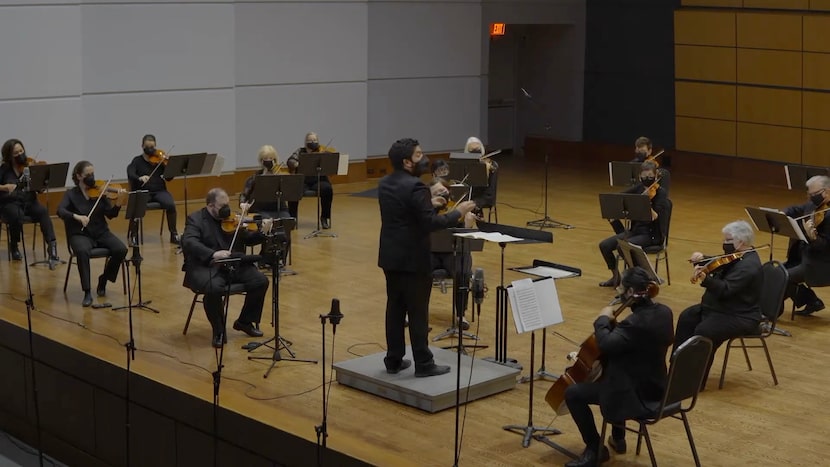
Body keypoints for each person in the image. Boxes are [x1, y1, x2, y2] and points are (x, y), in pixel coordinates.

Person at [378, 138, 476, 377]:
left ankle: (393, 360)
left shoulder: (385, 183)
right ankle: (423, 363)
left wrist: (427, 204)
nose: (424, 158)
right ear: (407, 162)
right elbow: (430, 224)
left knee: (395, 308)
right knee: (418, 310)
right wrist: (457, 212)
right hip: (414, 258)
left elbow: (405, 214)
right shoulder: (416, 187)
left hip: (390, 255)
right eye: (419, 154)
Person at [563, 267, 673, 467]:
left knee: (573, 392)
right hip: (658, 388)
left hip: (637, 396)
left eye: (621, 287)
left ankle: (595, 449)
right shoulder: (665, 312)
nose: (618, 291)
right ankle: (618, 438)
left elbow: (605, 344)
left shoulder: (634, 324)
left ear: (631, 292)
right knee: (614, 368)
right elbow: (635, 343)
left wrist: (603, 319)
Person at [674, 220, 762, 387]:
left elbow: (725, 289)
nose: (724, 243)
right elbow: (719, 262)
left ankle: (694, 381)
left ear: (741, 242)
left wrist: (705, 279)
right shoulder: (738, 255)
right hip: (721, 308)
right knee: (687, 317)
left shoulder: (749, 267)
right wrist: (702, 260)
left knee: (704, 331)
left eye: (728, 240)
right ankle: (677, 370)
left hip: (740, 315)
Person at [181, 188, 272, 347]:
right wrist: (213, 254)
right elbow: (189, 242)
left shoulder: (233, 219)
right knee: (213, 288)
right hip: (207, 266)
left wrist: (262, 232)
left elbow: (249, 240)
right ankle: (219, 330)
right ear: (210, 206)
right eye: (222, 205)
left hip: (233, 264)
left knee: (260, 281)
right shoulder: (195, 219)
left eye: (227, 204)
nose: (227, 209)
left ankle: (244, 321)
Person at [57, 161, 129, 307]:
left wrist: (119, 203)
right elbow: (61, 211)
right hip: (80, 234)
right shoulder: (71, 194)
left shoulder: (100, 192)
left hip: (101, 232)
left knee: (121, 249)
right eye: (88, 175)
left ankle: (104, 279)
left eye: (93, 174)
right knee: (83, 251)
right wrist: (77, 217)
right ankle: (87, 292)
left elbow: (110, 215)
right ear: (79, 176)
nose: (92, 177)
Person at [598, 160, 669, 287]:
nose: (647, 179)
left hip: (651, 235)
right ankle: (616, 277)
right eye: (644, 177)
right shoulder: (639, 188)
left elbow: (655, 216)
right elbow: (620, 197)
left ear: (656, 176)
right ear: (639, 176)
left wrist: (645, 202)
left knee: (623, 247)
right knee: (604, 245)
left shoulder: (660, 193)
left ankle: (641, 278)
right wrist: (615, 209)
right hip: (635, 231)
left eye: (650, 177)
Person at [0, 139, 61, 267]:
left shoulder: (30, 166)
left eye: (21, 151)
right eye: (16, 153)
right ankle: (14, 246)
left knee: (43, 211)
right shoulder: (4, 169)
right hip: (10, 203)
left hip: (29, 201)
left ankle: (52, 247)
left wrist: (41, 185)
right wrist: (5, 187)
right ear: (9, 155)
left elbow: (38, 189)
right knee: (16, 214)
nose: (20, 154)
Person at [428, 179, 478, 330]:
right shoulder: (425, 211)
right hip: (430, 252)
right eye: (437, 193)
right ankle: (414, 313)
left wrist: (468, 225)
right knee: (417, 273)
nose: (442, 195)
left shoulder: (457, 210)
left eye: (443, 191)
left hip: (453, 253)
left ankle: (460, 314)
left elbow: (469, 238)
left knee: (463, 271)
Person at [782, 175, 830, 315]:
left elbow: (825, 247)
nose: (810, 198)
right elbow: (797, 209)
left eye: (813, 194)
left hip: (821, 263)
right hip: (804, 256)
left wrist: (813, 238)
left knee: (783, 276)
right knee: (776, 271)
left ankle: (769, 312)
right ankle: (812, 301)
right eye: (809, 194)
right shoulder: (814, 204)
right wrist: (782, 213)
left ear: (826, 192)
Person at [240, 145, 292, 265]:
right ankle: (266, 257)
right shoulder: (255, 177)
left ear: (275, 160)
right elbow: (244, 195)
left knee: (286, 223)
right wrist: (243, 204)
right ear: (261, 160)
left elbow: (290, 193)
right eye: (265, 158)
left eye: (271, 158)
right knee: (269, 223)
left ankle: (280, 257)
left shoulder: (281, 176)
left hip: (279, 207)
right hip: (260, 209)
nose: (269, 161)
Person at [126, 134, 180, 245]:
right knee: (136, 207)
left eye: (152, 147)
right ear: (142, 146)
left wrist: (169, 166)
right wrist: (139, 178)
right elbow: (130, 173)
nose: (151, 150)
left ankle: (174, 234)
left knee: (170, 204)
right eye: (148, 147)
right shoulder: (137, 161)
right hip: (143, 192)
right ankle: (134, 235)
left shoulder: (160, 160)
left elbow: (169, 178)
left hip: (159, 191)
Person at [286, 132, 334, 229]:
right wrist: (297, 164)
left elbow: (332, 161)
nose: (312, 142)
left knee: (327, 189)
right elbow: (290, 160)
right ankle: (292, 218)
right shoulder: (300, 151)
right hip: (303, 180)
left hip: (319, 180)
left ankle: (325, 217)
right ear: (305, 142)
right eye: (310, 140)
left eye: (315, 140)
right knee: (294, 189)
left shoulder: (322, 152)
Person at [464, 137, 499, 213]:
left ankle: (477, 220)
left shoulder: (490, 164)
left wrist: (485, 170)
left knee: (471, 203)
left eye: (477, 149)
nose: (475, 152)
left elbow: (492, 186)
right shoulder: (465, 164)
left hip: (485, 195)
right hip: (470, 194)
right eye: (472, 150)